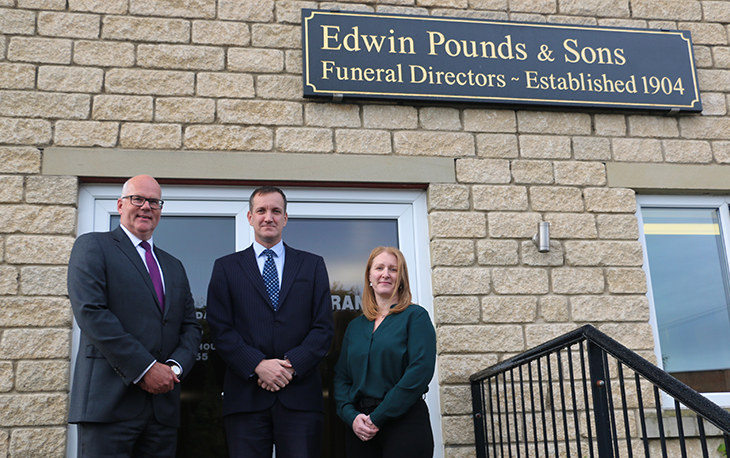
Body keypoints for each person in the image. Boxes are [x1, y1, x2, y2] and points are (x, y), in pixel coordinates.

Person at [67, 175, 202, 457]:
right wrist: (145, 368)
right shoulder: (94, 246)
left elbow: (190, 327)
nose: (146, 207)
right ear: (120, 205)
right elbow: (91, 313)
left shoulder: (173, 265)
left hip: (162, 410)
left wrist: (173, 369)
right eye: (137, 199)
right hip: (108, 405)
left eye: (154, 201)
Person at [206, 185, 334, 458]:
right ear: (250, 217)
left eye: (276, 211)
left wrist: (290, 366)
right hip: (245, 399)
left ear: (285, 218)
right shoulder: (226, 267)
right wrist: (257, 365)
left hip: (300, 399)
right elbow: (220, 328)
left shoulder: (312, 265)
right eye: (261, 210)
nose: (269, 217)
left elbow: (323, 328)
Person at [334, 246, 437, 458]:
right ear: (369, 277)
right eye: (379, 268)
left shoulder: (415, 317)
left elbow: (419, 371)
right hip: (360, 428)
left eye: (393, 269)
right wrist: (351, 416)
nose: (385, 274)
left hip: (405, 423)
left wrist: (378, 417)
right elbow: (342, 378)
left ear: (401, 278)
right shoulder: (355, 327)